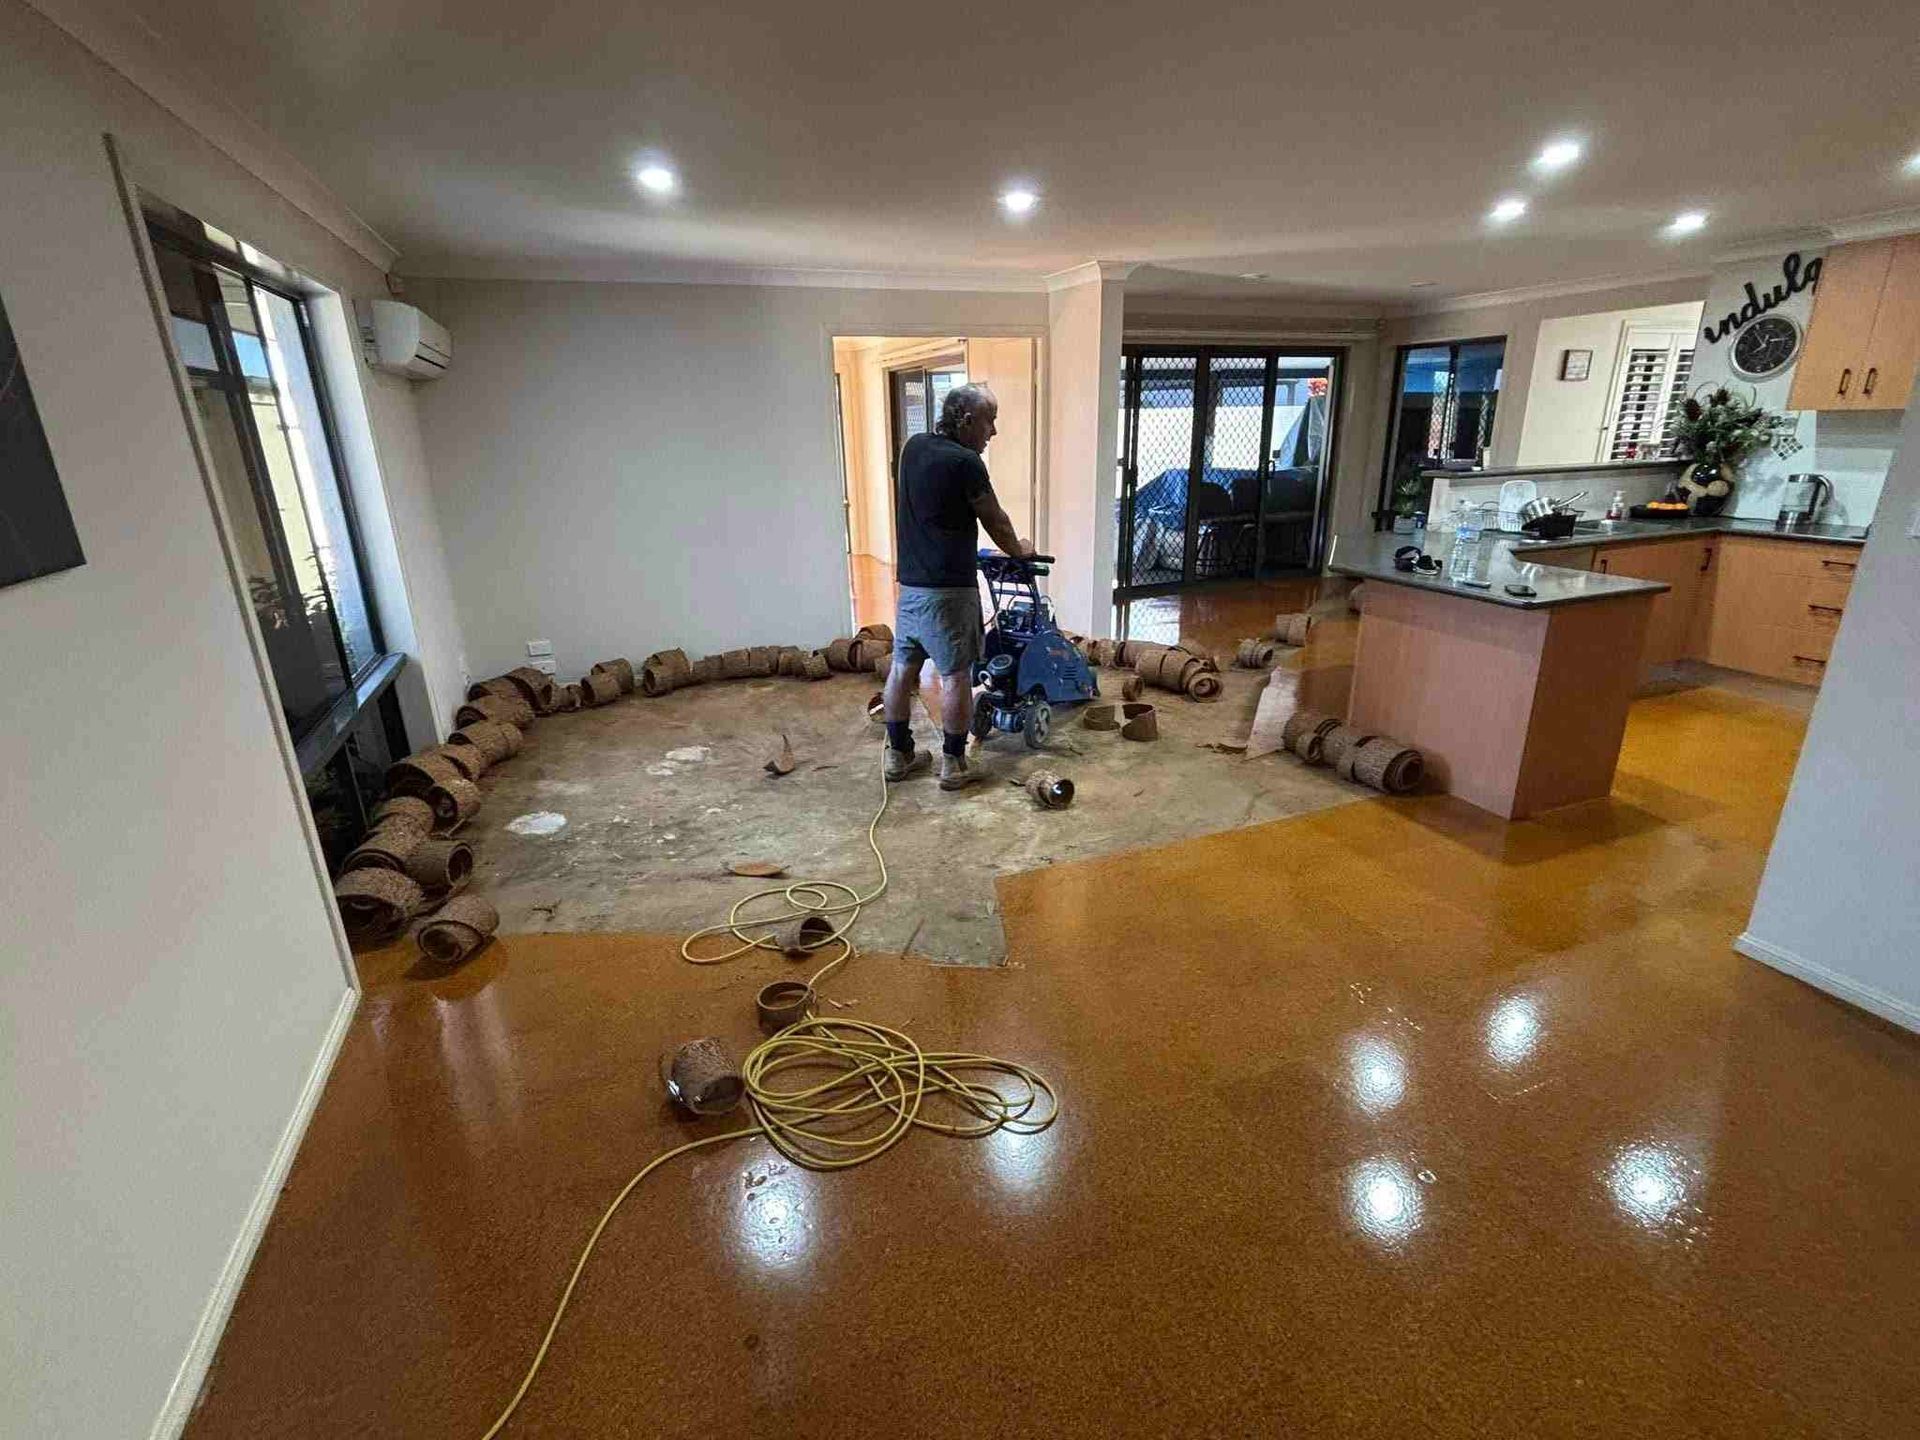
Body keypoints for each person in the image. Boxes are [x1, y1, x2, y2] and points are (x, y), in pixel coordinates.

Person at [883, 382, 1031, 791]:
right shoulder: (966, 462)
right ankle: (954, 764)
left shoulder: (913, 448)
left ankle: (899, 755)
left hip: (910, 587)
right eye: (990, 422)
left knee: (902, 669)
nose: (993, 433)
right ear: (967, 420)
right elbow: (994, 519)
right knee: (955, 676)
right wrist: (1019, 550)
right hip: (949, 592)